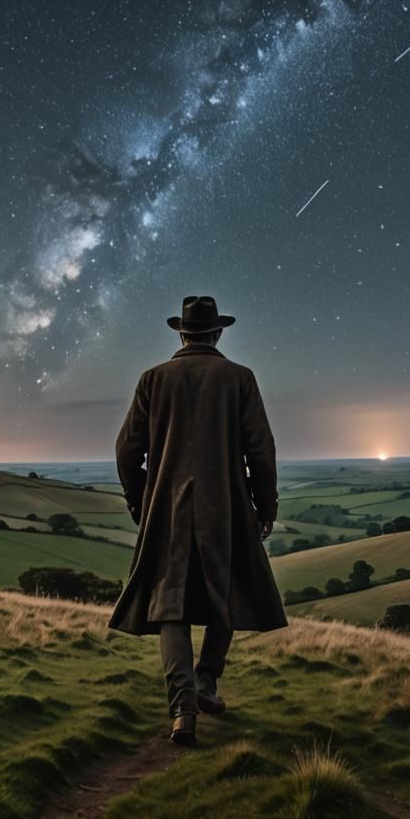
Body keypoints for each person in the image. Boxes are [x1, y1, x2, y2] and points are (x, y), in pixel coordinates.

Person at [108, 295, 288, 745]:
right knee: (225, 592)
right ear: (218, 333)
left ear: (181, 333)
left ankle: (182, 709)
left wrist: (140, 499)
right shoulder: (239, 378)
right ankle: (207, 683)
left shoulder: (153, 379)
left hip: (166, 508)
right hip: (226, 505)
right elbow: (261, 451)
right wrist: (266, 508)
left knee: (171, 607)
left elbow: (127, 450)